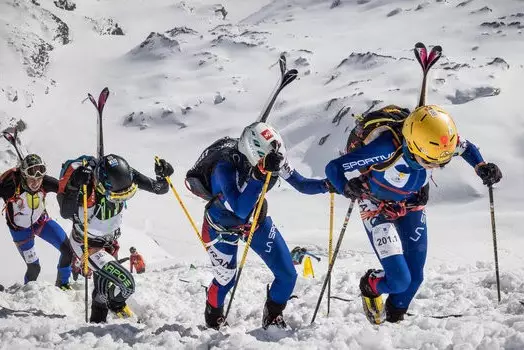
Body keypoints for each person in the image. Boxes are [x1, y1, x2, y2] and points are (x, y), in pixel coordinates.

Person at [325, 105, 502, 324]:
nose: (435, 167)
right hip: (375, 206)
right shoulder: (384, 150)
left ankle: (394, 319)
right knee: (399, 280)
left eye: (441, 163)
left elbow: (465, 148)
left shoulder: (440, 140)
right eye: (430, 162)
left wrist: (482, 166)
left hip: (412, 203)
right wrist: (346, 187)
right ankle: (370, 286)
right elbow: (333, 168)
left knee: (416, 277)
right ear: (414, 148)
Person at [189, 122, 333, 330]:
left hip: (255, 222)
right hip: (220, 227)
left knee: (287, 275)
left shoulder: (273, 159)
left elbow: (300, 183)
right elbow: (240, 207)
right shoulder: (224, 168)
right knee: (225, 280)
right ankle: (213, 316)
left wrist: (330, 185)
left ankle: (273, 314)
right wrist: (259, 175)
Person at [57, 154, 173, 323]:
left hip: (110, 242)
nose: (121, 199)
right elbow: (65, 212)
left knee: (102, 290)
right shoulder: (85, 183)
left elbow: (159, 188)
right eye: (117, 196)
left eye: (126, 196)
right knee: (126, 283)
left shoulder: (126, 175)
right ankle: (116, 304)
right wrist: (75, 185)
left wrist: (164, 174)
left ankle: (96, 327)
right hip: (87, 244)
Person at [0, 154, 72, 289]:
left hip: (41, 221)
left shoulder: (45, 182)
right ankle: (28, 293)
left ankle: (63, 284)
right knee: (34, 268)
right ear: (23, 176)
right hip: (20, 230)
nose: (36, 183)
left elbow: (67, 191)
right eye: (32, 179)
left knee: (68, 251)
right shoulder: (9, 185)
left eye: (39, 178)